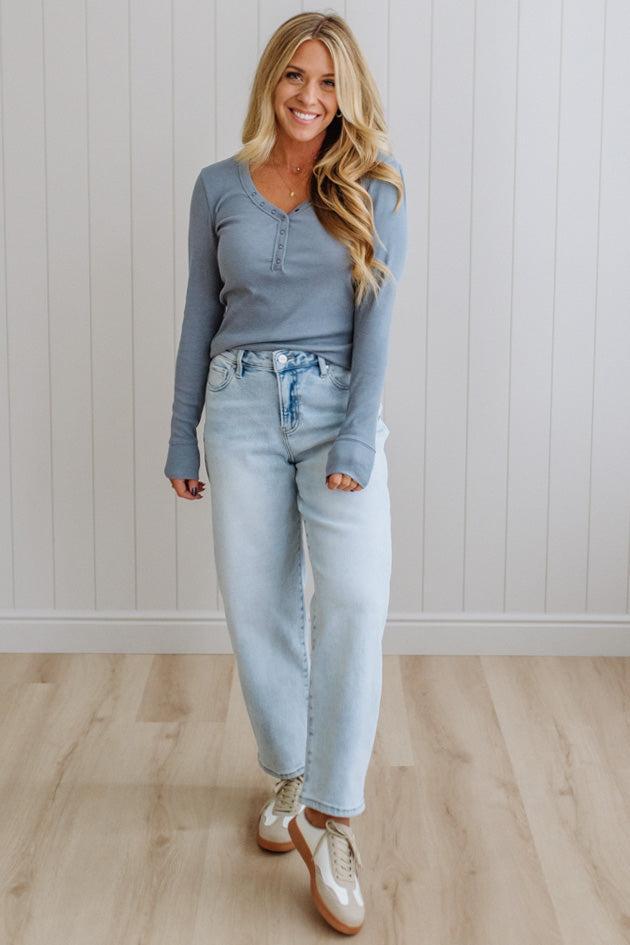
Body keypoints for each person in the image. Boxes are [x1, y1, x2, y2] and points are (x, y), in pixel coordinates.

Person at [164, 11, 407, 936]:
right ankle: (292, 774)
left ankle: (331, 814)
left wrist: (355, 442)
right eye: (295, 77)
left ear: (350, 93)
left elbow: (378, 325)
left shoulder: (376, 187)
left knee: (351, 596)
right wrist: (181, 434)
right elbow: (199, 313)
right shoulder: (217, 186)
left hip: (336, 405)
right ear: (272, 80)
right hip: (236, 409)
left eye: (329, 81)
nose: (310, 96)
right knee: (257, 602)